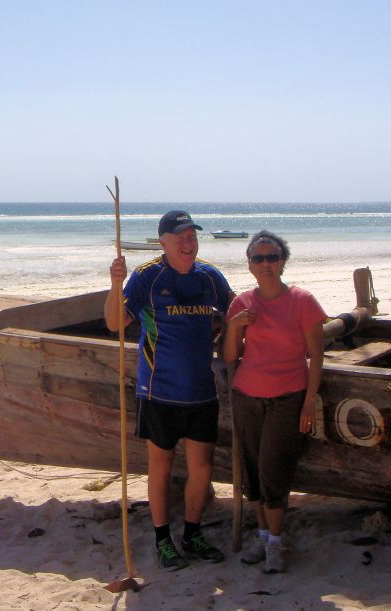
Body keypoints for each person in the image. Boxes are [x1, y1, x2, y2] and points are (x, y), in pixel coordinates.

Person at [105, 210, 234, 571]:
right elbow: (116, 322)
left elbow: (235, 311)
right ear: (163, 242)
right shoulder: (147, 276)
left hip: (201, 391)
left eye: (192, 236)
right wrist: (115, 285)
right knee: (159, 468)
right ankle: (163, 540)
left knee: (202, 469)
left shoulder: (209, 277)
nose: (188, 243)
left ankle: (192, 533)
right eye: (180, 237)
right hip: (158, 390)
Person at [222, 230, 326, 574]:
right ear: (249, 264)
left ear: (283, 261)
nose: (265, 264)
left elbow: (316, 355)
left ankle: (277, 541)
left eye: (272, 257)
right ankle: (264, 535)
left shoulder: (302, 301)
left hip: (287, 398)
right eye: (258, 258)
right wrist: (235, 326)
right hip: (246, 395)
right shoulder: (242, 303)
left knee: (273, 469)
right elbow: (229, 355)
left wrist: (310, 401)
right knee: (251, 471)